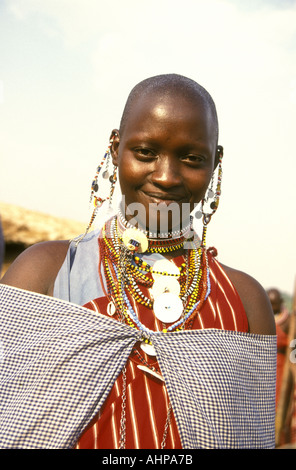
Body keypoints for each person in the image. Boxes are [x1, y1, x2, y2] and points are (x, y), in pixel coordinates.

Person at [0, 74, 276, 449]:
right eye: (146, 152)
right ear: (116, 148)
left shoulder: (243, 301)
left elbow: (251, 437)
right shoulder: (45, 271)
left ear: (215, 162)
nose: (166, 176)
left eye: (192, 158)